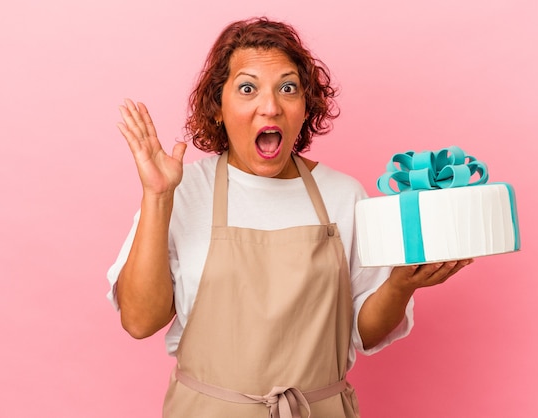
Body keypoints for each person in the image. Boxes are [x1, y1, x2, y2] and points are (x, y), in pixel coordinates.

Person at [107, 17, 472, 418]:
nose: (271, 106)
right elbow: (139, 322)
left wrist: (402, 285)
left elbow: (364, 331)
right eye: (248, 88)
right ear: (218, 109)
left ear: (305, 108)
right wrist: (158, 196)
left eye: (288, 88)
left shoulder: (343, 195)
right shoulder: (183, 191)